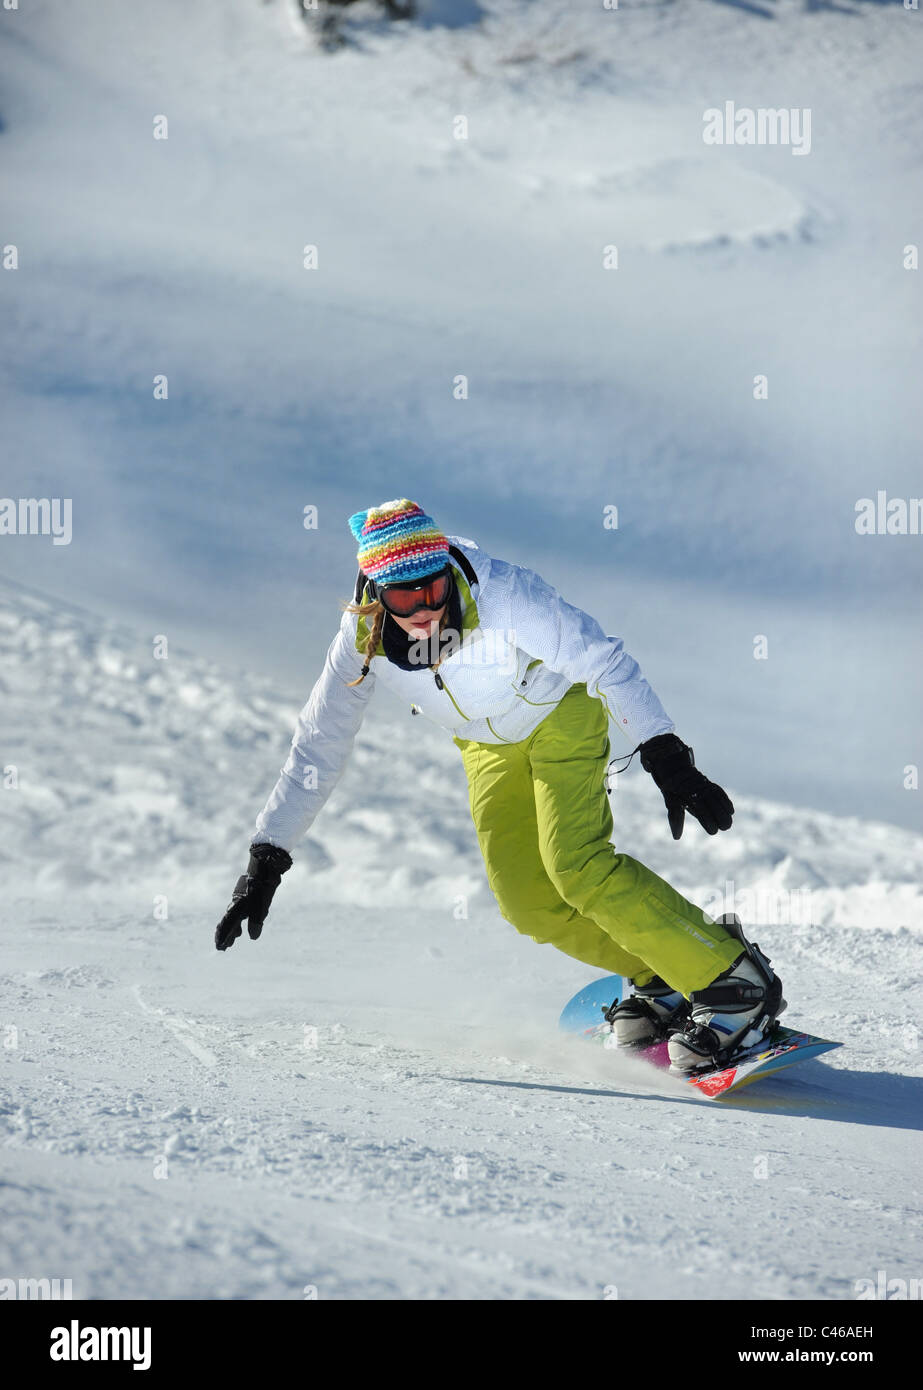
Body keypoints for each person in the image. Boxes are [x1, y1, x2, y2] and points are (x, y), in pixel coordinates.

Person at [215, 499, 785, 1072]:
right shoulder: (359, 644)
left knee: (576, 863)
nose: (427, 610)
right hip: (487, 745)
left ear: (447, 571)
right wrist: (270, 853)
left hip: (559, 709)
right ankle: (660, 974)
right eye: (406, 598)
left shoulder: (502, 592)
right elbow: (320, 743)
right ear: (374, 592)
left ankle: (732, 981)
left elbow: (602, 659)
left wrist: (663, 750)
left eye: (435, 590)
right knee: (527, 902)